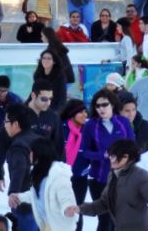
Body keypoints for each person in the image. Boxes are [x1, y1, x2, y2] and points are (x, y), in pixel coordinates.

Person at [77, 138, 148, 231]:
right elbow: (104, 203)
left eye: (114, 156)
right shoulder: (112, 175)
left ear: (126, 157)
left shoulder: (140, 175)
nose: (111, 159)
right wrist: (79, 209)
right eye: (110, 155)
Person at [79, 89, 134, 231]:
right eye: (97, 106)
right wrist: (101, 155)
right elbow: (85, 152)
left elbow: (133, 147)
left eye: (104, 104)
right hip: (99, 179)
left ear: (112, 104)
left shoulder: (123, 122)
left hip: (122, 179)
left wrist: (124, 156)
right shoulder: (90, 125)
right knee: (105, 220)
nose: (101, 108)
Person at [15, 138, 78, 231]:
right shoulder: (39, 173)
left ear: (39, 152)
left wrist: (67, 207)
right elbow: (39, 196)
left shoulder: (58, 174)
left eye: (31, 151)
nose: (29, 155)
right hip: (47, 226)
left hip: (59, 227)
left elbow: (65, 195)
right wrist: (19, 197)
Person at [0, 103, 37, 230]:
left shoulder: (18, 147)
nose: (4, 125)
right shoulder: (38, 139)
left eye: (6, 121)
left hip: (25, 205)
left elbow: (19, 169)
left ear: (16, 124)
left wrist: (13, 192)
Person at [60, 99, 89, 231]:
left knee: (77, 210)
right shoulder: (61, 128)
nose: (85, 115)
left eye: (85, 112)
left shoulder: (88, 130)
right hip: (60, 177)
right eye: (81, 112)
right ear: (72, 113)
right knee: (59, 209)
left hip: (79, 177)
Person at [27, 81, 65, 160]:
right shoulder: (19, 114)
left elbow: (59, 145)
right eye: (44, 99)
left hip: (47, 166)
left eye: (50, 99)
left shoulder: (53, 116)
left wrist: (60, 165)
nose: (48, 103)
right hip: (22, 165)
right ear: (33, 96)